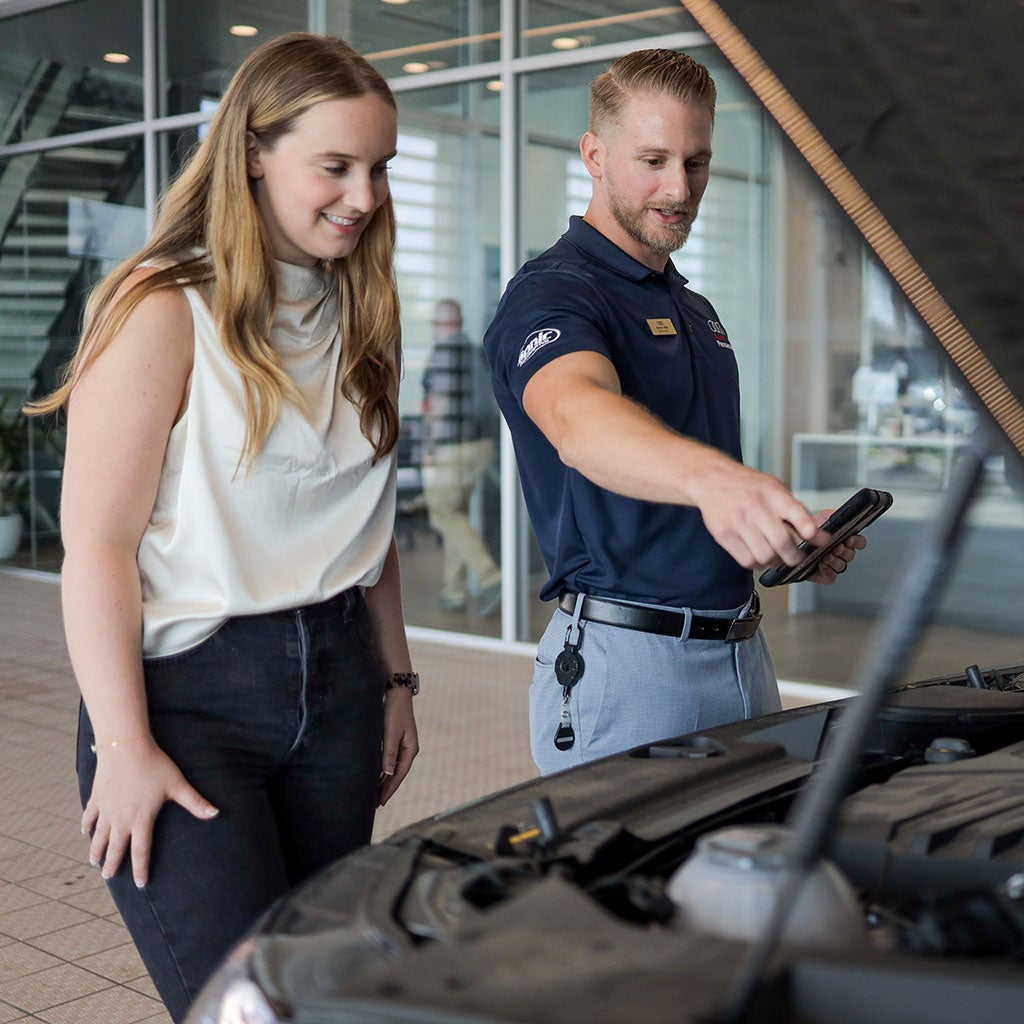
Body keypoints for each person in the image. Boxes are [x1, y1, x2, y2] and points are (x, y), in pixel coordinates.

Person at [28, 33, 419, 1022]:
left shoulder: (360, 303)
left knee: (326, 996)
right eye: (334, 166)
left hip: (338, 690)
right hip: (189, 702)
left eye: (378, 169)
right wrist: (123, 743)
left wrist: (396, 680)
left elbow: (364, 531)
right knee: (240, 1007)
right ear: (253, 150)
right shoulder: (164, 306)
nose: (363, 196)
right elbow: (99, 546)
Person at [483, 49, 864, 776]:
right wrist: (720, 484)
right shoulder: (553, 293)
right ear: (594, 154)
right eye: (653, 159)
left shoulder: (693, 308)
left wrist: (769, 532)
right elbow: (578, 417)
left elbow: (678, 477)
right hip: (633, 669)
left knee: (750, 880)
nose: (678, 188)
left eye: (696, 162)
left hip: (744, 651)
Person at [421, 298, 502, 615]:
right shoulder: (473, 350)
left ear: (443, 325)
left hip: (452, 448)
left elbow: (438, 406)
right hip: (481, 447)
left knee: (443, 512)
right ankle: (453, 592)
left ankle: (489, 577)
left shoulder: (444, 353)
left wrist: (428, 448)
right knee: (456, 514)